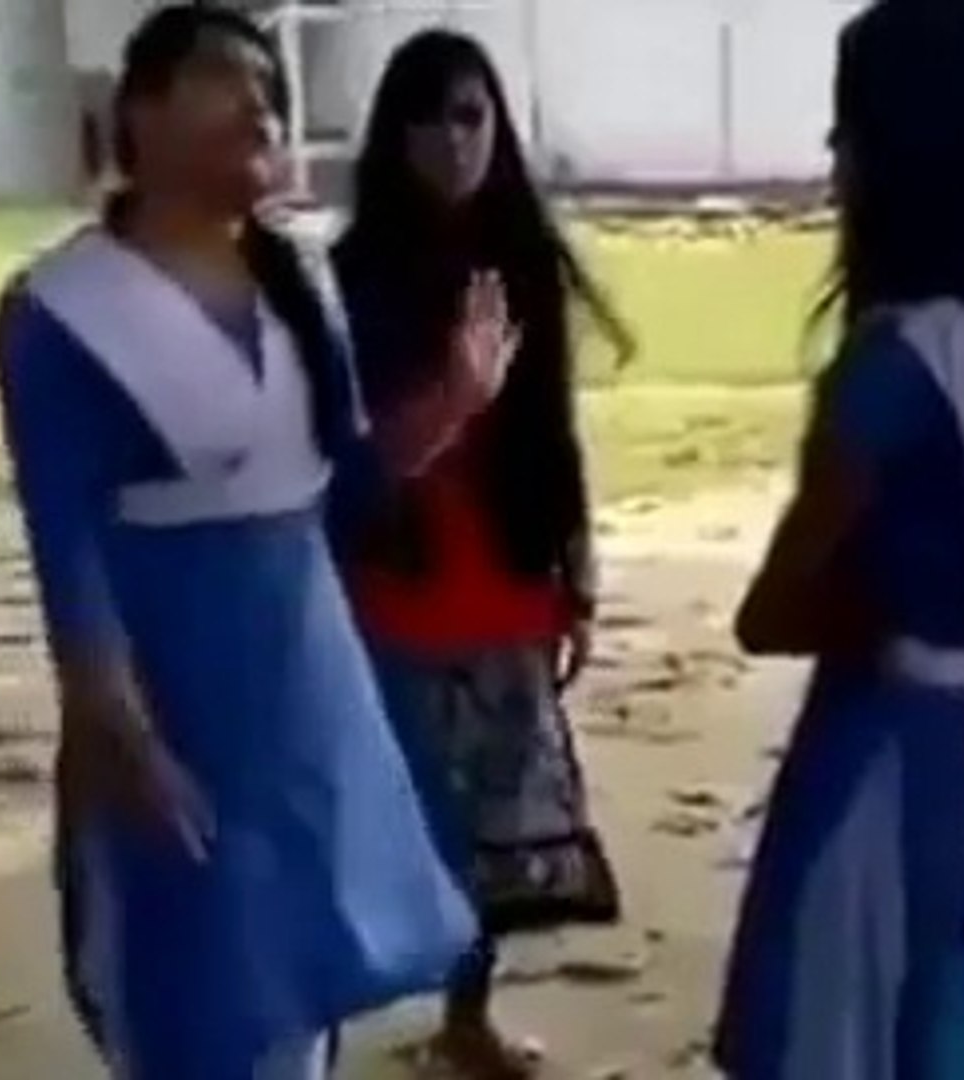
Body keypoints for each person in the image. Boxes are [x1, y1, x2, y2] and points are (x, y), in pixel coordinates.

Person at [0, 6, 509, 1077]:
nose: (261, 106)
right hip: (181, 693)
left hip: (311, 686)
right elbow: (67, 549)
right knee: (200, 988)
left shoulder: (297, 280)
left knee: (304, 978)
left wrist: (455, 400)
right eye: (226, 80)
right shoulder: (61, 311)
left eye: (271, 88)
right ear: (139, 111)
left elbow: (347, 484)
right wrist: (120, 729)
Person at [711, 0, 964, 1076]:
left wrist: (879, 605)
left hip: (877, 770)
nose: (835, 157)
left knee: (843, 1034)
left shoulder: (893, 365)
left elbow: (770, 612)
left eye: (851, 128)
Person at [329, 28, 634, 1080]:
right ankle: (327, 1021)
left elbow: (554, 429)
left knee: (497, 825)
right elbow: (347, 457)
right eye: (427, 119)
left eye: (470, 116)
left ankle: (467, 1015)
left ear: (499, 128)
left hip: (505, 571)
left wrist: (576, 574)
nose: (451, 140)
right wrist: (454, 396)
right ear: (393, 136)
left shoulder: (524, 261)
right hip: (395, 574)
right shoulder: (352, 277)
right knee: (389, 809)